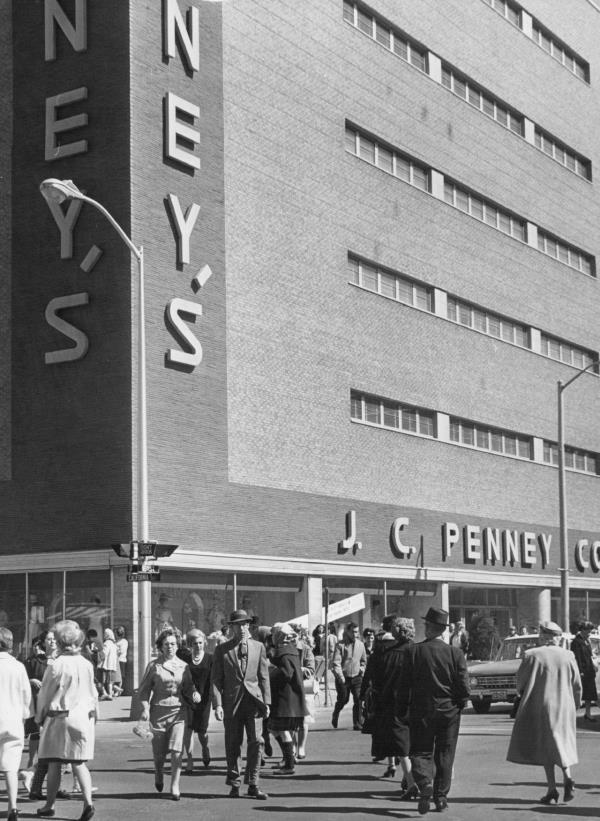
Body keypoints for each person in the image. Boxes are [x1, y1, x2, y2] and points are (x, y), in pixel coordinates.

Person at [398, 606, 470, 815]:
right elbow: (464, 686)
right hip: (449, 710)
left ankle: (424, 782)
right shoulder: (455, 653)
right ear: (443, 630)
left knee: (420, 750)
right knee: (445, 753)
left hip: (422, 710)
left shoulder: (414, 651)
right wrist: (459, 702)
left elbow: (405, 684)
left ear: (429, 627)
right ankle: (441, 797)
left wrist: (403, 708)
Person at [507, 621, 582, 805]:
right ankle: (564, 779)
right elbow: (577, 684)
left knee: (545, 746)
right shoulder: (568, 655)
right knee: (561, 742)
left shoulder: (531, 655)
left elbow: (521, 683)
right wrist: (577, 704)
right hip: (565, 706)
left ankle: (553, 787)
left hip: (540, 706)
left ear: (542, 636)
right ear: (557, 638)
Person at [34, 619, 98, 821]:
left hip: (60, 717)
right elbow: (93, 692)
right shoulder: (86, 664)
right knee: (79, 762)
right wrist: (95, 713)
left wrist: (39, 716)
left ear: (60, 642)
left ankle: (49, 805)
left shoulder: (57, 664)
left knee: (54, 762)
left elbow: (45, 693)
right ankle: (88, 802)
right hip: (83, 717)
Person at [211, 609, 271, 800]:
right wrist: (218, 705)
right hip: (232, 703)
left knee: (257, 741)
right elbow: (215, 680)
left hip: (253, 703)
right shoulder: (222, 650)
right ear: (232, 627)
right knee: (233, 744)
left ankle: (253, 783)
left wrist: (266, 702)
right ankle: (235, 784)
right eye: (239, 624)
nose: (243, 627)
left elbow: (264, 676)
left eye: (246, 624)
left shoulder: (259, 647)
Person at [360, 615, 417, 797]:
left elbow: (374, 680)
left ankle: (410, 782)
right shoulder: (417, 651)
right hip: (416, 703)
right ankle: (412, 779)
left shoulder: (382, 654)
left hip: (392, 703)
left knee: (402, 746)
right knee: (416, 743)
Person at [139, 628, 188, 800]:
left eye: (173, 644)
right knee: (159, 753)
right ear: (160, 647)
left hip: (178, 712)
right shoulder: (154, 666)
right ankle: (158, 772)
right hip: (158, 713)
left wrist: (195, 694)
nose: (170, 647)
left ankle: (175, 785)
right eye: (166, 644)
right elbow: (143, 691)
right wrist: (145, 709)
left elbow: (190, 688)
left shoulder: (184, 666)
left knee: (176, 751)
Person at [0, 626, 33, 821]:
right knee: (11, 768)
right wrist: (26, 715)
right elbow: (26, 696)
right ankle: (12, 805)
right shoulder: (18, 666)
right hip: (13, 720)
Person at [268, 623, 308, 775]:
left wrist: (270, 673)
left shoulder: (282, 651)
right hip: (291, 698)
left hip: (286, 699)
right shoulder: (291, 650)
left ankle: (289, 764)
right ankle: (287, 758)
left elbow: (286, 673)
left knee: (282, 730)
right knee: (274, 729)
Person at [181, 628, 213, 773]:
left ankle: (205, 748)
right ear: (190, 644)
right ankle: (190, 758)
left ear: (204, 643)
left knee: (202, 731)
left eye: (200, 643)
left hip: (205, 698)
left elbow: (214, 681)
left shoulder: (210, 659)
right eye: (194, 643)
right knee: (188, 728)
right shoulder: (185, 658)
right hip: (188, 697)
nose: (198, 646)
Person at [331, 621, 367, 730]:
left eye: (357, 632)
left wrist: (361, 669)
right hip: (343, 678)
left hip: (357, 677)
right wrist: (341, 677)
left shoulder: (361, 645)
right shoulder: (340, 645)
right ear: (348, 632)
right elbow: (336, 663)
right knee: (343, 699)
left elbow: (363, 661)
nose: (355, 634)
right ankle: (336, 713)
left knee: (358, 699)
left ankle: (357, 723)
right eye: (353, 632)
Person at [291, 624, 315, 760]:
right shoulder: (284, 648)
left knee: (303, 720)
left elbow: (311, 669)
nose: (292, 638)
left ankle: (301, 747)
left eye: (294, 635)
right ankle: (293, 746)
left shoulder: (305, 649)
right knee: (290, 720)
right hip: (289, 688)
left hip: (304, 688)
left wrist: (297, 669)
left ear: (299, 635)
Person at [570, 620, 597, 722]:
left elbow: (589, 655)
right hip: (582, 672)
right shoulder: (576, 642)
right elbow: (577, 658)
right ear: (583, 630)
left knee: (589, 694)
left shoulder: (587, 641)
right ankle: (573, 714)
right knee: (578, 693)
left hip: (589, 672)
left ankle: (588, 713)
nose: (589, 633)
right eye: (588, 631)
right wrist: (580, 671)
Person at [98, 628, 120, 700]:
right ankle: (110, 694)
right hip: (112, 665)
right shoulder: (114, 644)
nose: (104, 635)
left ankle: (105, 693)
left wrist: (98, 651)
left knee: (101, 681)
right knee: (110, 682)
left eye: (105, 634)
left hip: (105, 665)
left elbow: (104, 654)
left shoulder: (106, 643)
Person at [114, 626, 128, 695]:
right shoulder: (116, 641)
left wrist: (115, 651)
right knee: (115, 676)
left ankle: (118, 691)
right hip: (115, 661)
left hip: (121, 660)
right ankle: (117, 690)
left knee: (121, 676)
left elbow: (121, 651)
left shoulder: (124, 641)